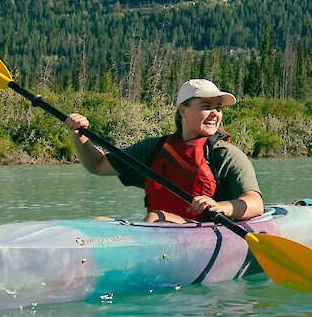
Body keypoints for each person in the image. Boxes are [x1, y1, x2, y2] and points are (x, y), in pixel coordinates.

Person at [64, 78, 264, 224]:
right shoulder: (154, 149)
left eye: (218, 108)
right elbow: (97, 165)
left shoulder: (225, 154)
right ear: (183, 111)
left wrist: (222, 207)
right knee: (97, 221)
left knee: (155, 217)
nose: (215, 114)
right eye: (206, 106)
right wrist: (80, 135)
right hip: (160, 231)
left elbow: (255, 203)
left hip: (205, 232)